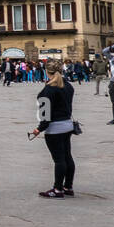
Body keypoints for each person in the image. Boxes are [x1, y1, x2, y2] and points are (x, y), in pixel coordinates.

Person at [29, 60, 75, 198]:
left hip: (54, 129)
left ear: (46, 71)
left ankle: (57, 189)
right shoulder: (68, 86)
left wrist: (38, 129)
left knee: (59, 160)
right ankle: (68, 186)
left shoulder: (47, 90)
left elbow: (45, 116)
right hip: (68, 125)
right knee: (68, 157)